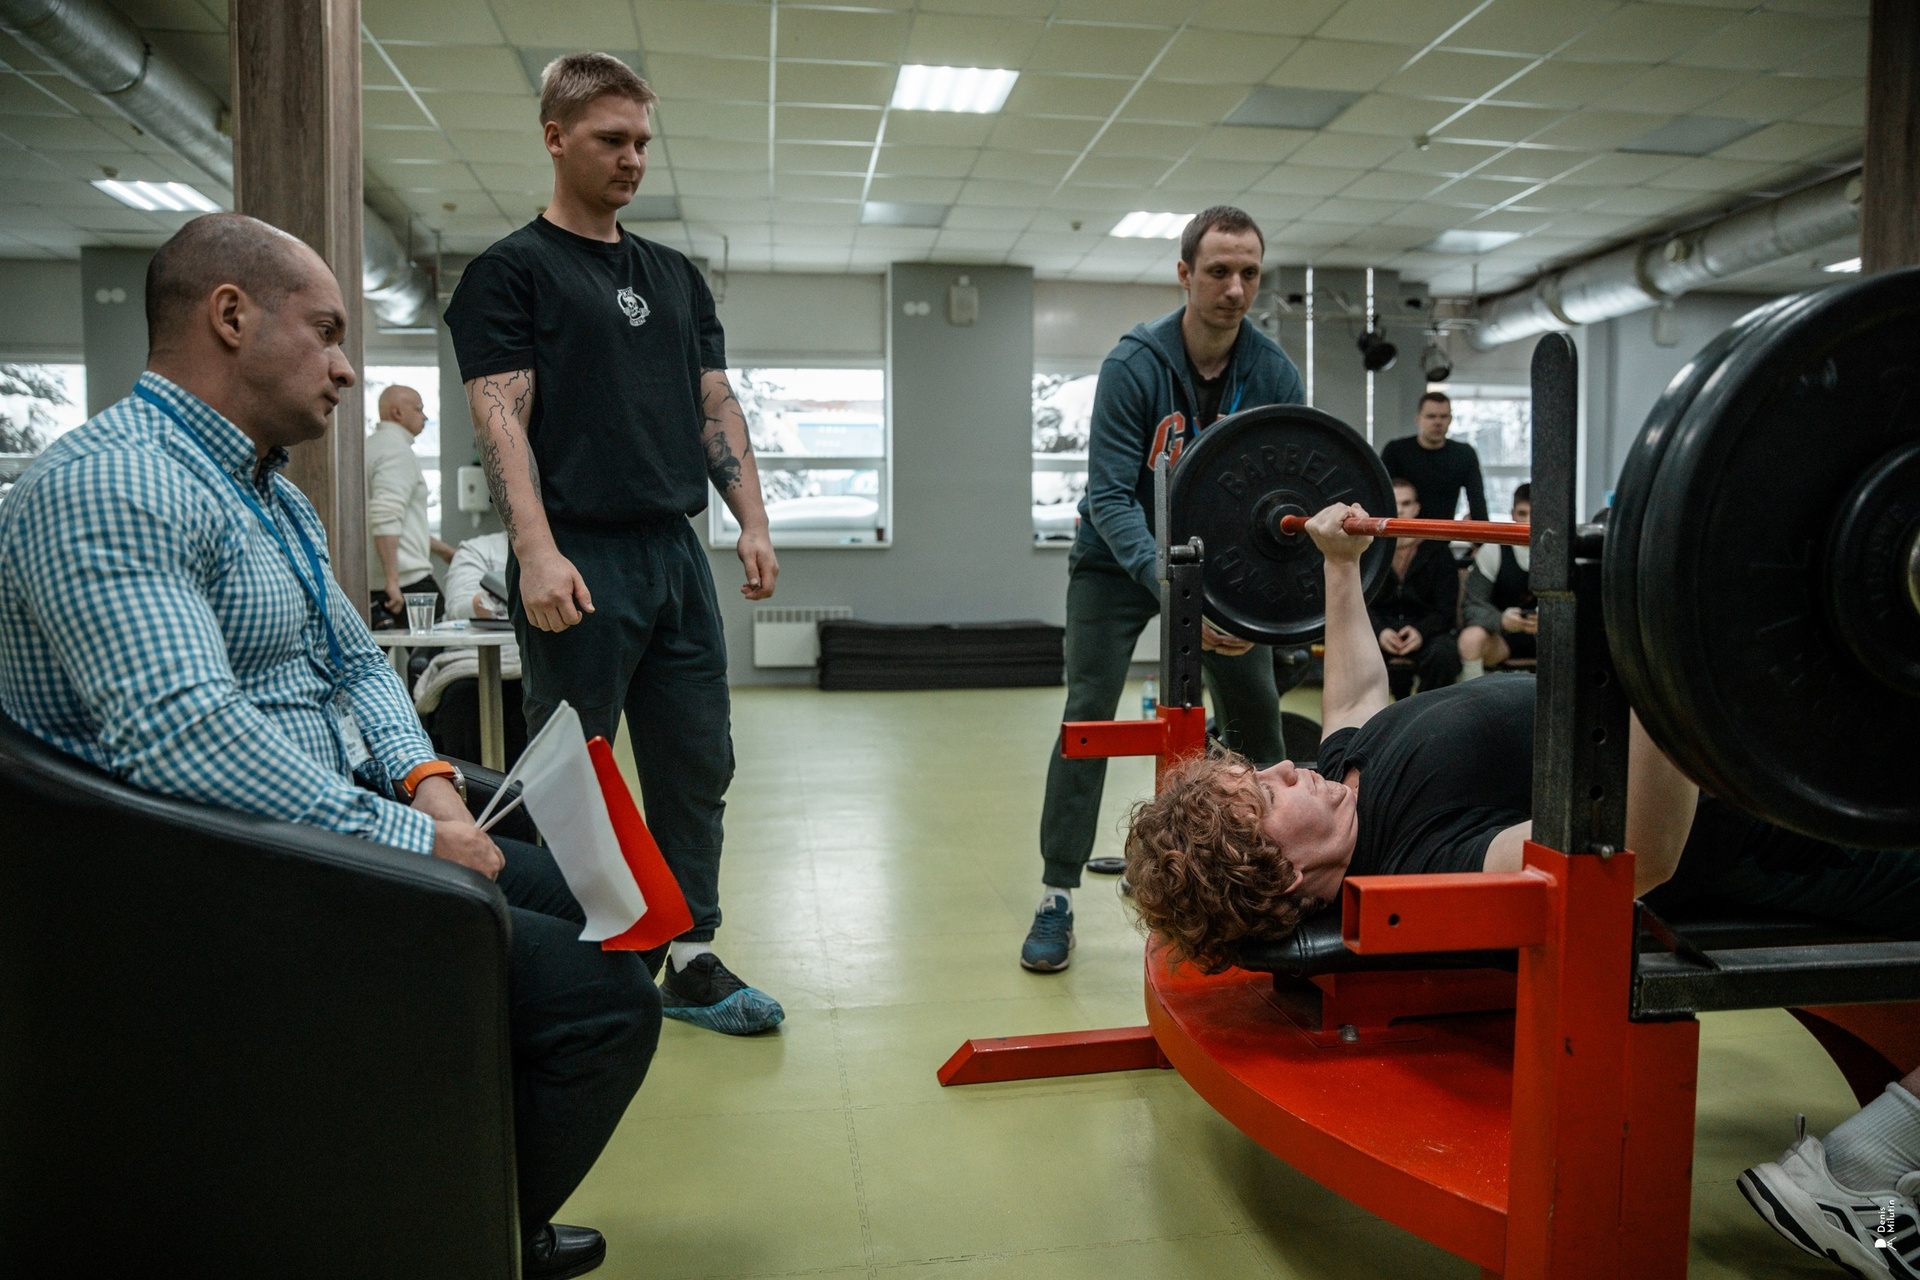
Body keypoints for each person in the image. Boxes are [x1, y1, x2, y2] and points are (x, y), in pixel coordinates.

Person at [0, 213, 654, 1279]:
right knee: (605, 1006)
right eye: (329, 332)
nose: (348, 370)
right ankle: (449, 1241)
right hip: (211, 874)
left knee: (612, 911)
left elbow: (357, 665)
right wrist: (417, 840)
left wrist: (429, 785)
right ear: (230, 316)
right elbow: (183, 735)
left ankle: (458, 1191)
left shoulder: (269, 494)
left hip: (320, 819)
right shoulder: (117, 483)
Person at [1124, 501, 1920, 1280]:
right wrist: (1659, 655)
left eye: (1259, 771)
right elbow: (1632, 857)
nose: (1283, 766)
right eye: (1267, 796)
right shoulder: (1426, 867)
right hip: (1790, 828)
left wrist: (1339, 566)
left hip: (1776, 744)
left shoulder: (1340, 780)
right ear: (1288, 873)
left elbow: (1357, 696)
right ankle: (1859, 1172)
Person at [445, 52, 783, 1036]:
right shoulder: (511, 271)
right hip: (578, 552)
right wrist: (537, 551)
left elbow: (714, 404)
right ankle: (594, 950)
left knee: (697, 759)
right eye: (611, 139)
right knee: (571, 769)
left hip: (674, 553)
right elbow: (500, 420)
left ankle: (691, 954)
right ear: (556, 138)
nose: (633, 158)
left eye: (642, 140)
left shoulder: (673, 276)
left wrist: (752, 520)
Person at [1023, 204, 1305, 973]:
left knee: (1256, 716)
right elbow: (1111, 496)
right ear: (1185, 274)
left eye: (1249, 273)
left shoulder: (1274, 373)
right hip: (1114, 560)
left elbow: (1282, 495)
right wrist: (1173, 590)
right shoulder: (1133, 365)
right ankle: (1056, 892)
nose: (1235, 289)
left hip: (1215, 567)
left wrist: (1246, 600)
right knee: (1089, 713)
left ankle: (1269, 881)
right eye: (1218, 271)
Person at [415, 530, 528, 764]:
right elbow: (459, 606)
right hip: (471, 663)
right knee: (464, 701)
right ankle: (474, 786)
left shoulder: (571, 546)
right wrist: (500, 601)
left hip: (536, 663)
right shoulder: (476, 549)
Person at [365, 382, 454, 629]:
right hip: (406, 582)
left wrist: (444, 550)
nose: (424, 417)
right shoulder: (396, 451)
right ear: (397, 412)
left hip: (376, 582)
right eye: (418, 409)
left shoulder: (371, 446)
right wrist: (392, 582)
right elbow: (385, 517)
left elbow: (399, 523)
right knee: (442, 650)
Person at [1367, 478, 1461, 698]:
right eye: (1394, 503)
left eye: (1406, 503)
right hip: (1378, 631)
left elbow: (1446, 609)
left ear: (1417, 508)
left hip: (1426, 634)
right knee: (1353, 651)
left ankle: (1427, 712)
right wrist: (1380, 632)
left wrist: (1421, 632)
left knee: (1444, 654)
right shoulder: (1368, 551)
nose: (1400, 510)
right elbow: (1357, 603)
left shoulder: (1438, 553)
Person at [1379, 391, 1487, 529]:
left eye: (1443, 416)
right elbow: (1380, 496)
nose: (1438, 422)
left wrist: (1481, 537)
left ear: (1450, 420)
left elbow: (1477, 500)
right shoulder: (1396, 451)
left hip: (1442, 535)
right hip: (1401, 533)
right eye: (1431, 416)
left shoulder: (1464, 454)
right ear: (1418, 419)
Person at [1458, 483, 1534, 679]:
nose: (1528, 521)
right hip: (1503, 639)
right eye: (1522, 514)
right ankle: (1473, 696)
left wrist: (1553, 620)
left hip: (1554, 638)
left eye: (1535, 514)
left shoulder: (1564, 552)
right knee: (1470, 639)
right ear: (1512, 514)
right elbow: (1471, 606)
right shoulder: (1493, 550)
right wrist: (1501, 620)